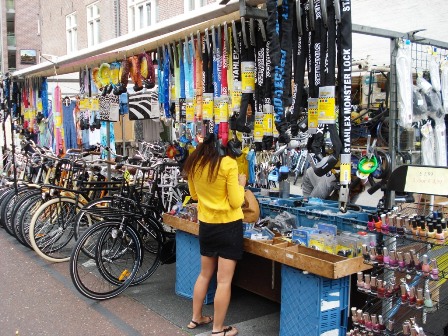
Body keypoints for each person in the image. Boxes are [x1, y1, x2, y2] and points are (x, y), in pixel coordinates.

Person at [182, 133, 245, 336]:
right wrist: (241, 185)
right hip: (228, 226)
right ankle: (218, 330)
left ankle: (196, 318)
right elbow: (236, 202)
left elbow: (193, 195)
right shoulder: (228, 164)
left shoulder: (195, 162)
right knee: (223, 280)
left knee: (204, 274)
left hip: (207, 225)